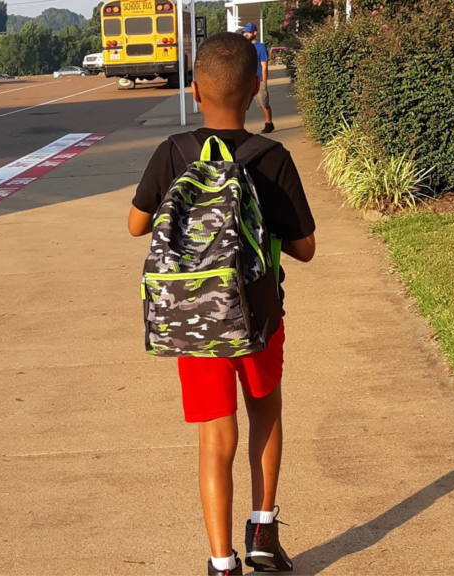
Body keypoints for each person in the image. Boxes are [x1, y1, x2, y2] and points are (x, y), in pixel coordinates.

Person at [127, 32, 316, 576]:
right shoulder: (271, 157)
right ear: (256, 87)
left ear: (194, 90)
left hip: (195, 318)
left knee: (216, 437)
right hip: (259, 315)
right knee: (266, 413)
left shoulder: (174, 152)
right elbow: (304, 249)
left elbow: (136, 225)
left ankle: (220, 562)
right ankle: (263, 533)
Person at [242, 22, 274, 134]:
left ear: (254, 33)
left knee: (263, 103)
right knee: (242, 105)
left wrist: (264, 83)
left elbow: (264, 66)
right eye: (245, 32)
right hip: (246, 81)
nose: (246, 34)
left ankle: (269, 123)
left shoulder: (261, 47)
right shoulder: (244, 47)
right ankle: (239, 127)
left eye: (248, 32)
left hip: (258, 80)